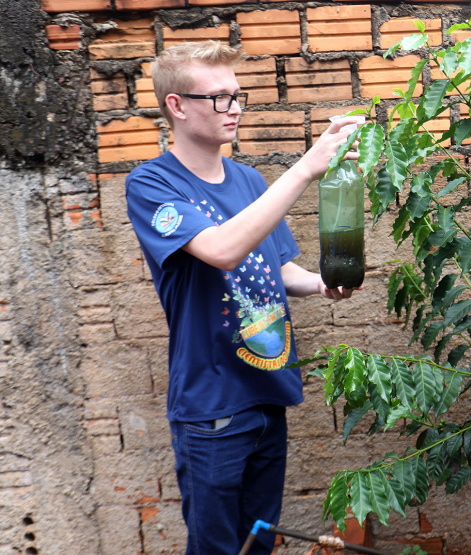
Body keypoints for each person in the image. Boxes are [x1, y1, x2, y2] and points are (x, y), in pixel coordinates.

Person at [125, 41, 362, 555]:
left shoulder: (250, 180)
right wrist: (303, 169)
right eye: (219, 98)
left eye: (238, 96)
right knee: (215, 548)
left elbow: (278, 268)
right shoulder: (151, 184)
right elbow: (223, 250)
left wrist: (322, 284)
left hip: (267, 392)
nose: (234, 108)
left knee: (258, 544)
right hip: (212, 408)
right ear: (177, 106)